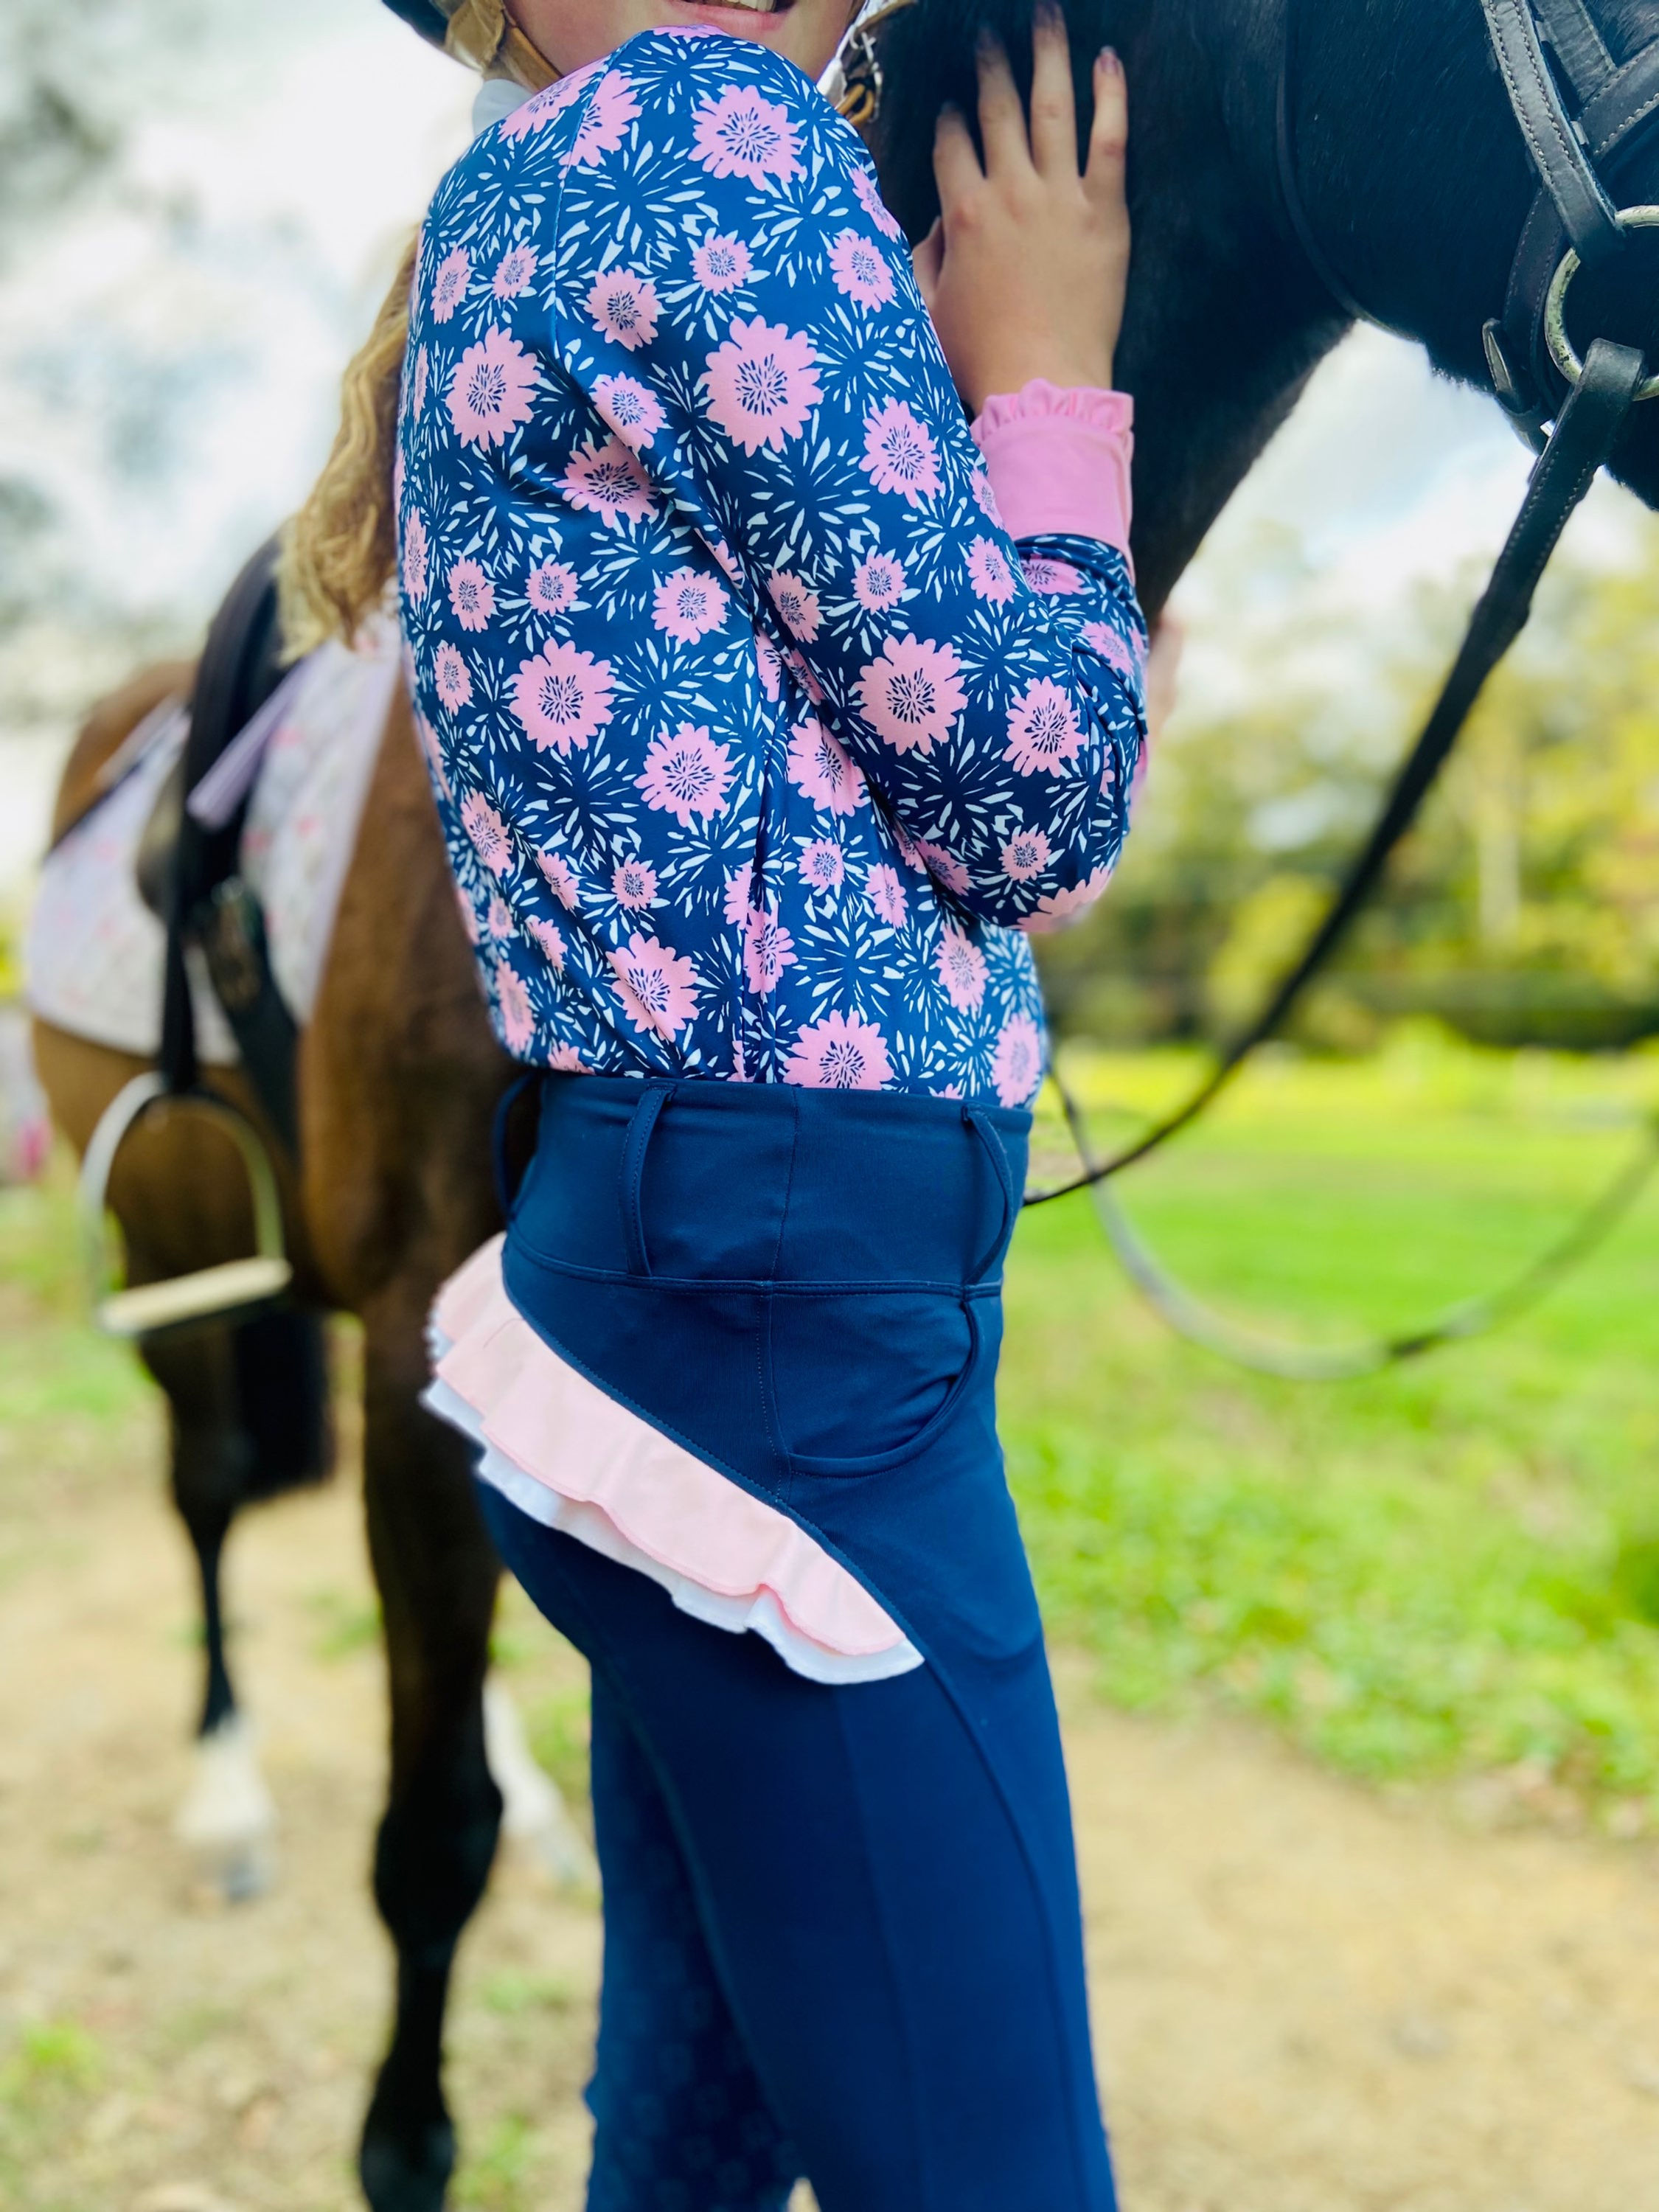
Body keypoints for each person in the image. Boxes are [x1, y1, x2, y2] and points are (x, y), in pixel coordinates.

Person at [286, 0, 1147, 2202]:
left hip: (655, 1281)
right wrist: (1047, 379)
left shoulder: (524, 190)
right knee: (991, 2169)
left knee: (691, 2126)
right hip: (796, 1350)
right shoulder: (709, 130)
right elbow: (1036, 803)